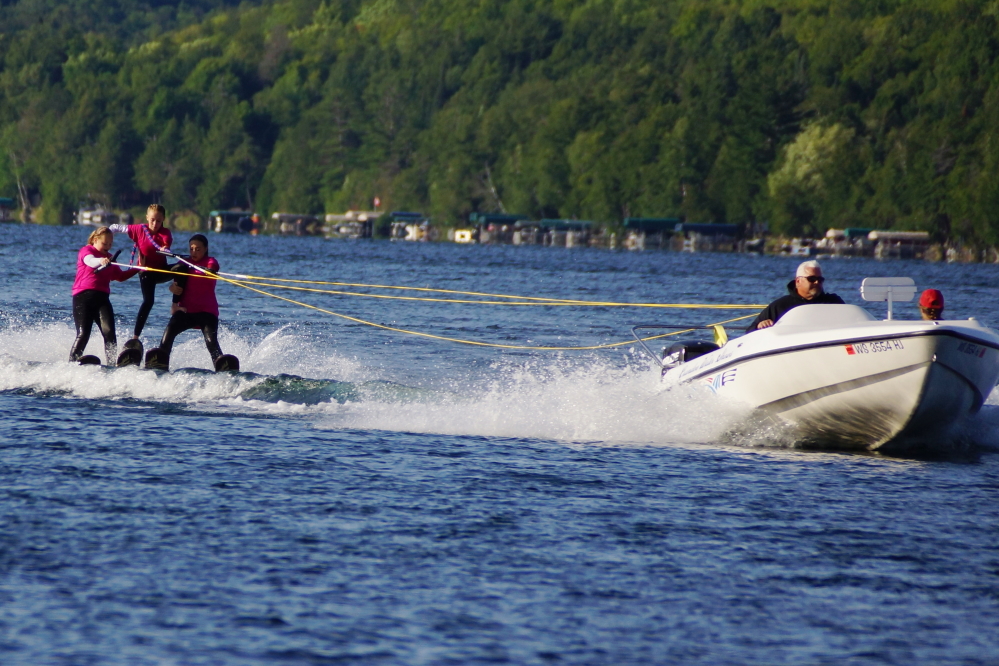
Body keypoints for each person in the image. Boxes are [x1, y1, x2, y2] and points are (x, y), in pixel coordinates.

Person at [153, 234, 226, 368]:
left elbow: (213, 267)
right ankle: (161, 362)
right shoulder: (184, 263)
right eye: (191, 249)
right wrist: (172, 287)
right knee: (168, 334)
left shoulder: (211, 261)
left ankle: (221, 365)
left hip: (207, 313)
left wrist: (210, 271)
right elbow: (174, 280)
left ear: (205, 249)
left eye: (198, 249)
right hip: (186, 311)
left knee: (211, 342)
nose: (194, 252)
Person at [69, 226, 139, 364]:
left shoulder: (110, 259)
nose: (107, 247)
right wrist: (100, 261)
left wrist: (137, 268)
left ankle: (112, 364)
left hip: (102, 300)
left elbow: (120, 276)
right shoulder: (87, 250)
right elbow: (90, 261)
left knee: (110, 334)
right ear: (95, 240)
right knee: (84, 334)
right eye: (104, 243)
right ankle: (71, 363)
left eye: (110, 244)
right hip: (83, 298)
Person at [109, 203, 173, 341]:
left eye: (159, 221)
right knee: (149, 301)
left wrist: (165, 249)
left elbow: (166, 243)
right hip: (145, 272)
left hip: (161, 271)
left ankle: (176, 303)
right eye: (152, 220)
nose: (155, 223)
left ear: (163, 220)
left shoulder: (165, 233)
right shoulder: (139, 229)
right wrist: (104, 241)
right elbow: (114, 227)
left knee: (182, 268)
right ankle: (135, 338)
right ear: (147, 218)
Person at [747, 260, 845, 331]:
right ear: (798, 281)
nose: (816, 282)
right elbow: (750, 331)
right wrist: (760, 326)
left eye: (820, 280)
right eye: (812, 279)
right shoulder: (780, 306)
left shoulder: (833, 302)